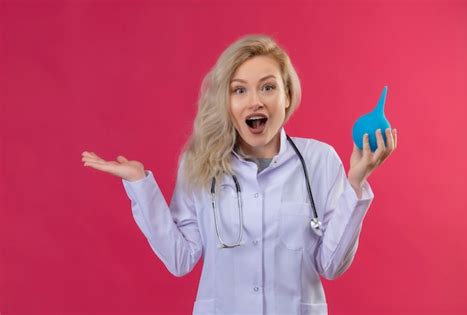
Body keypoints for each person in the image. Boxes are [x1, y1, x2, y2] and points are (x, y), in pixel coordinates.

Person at [81, 34, 397, 315]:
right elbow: (180, 259)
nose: (255, 100)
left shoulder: (320, 160)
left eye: (268, 87)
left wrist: (355, 184)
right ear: (226, 101)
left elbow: (331, 266)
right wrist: (139, 184)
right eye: (239, 90)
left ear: (286, 96)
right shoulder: (199, 164)